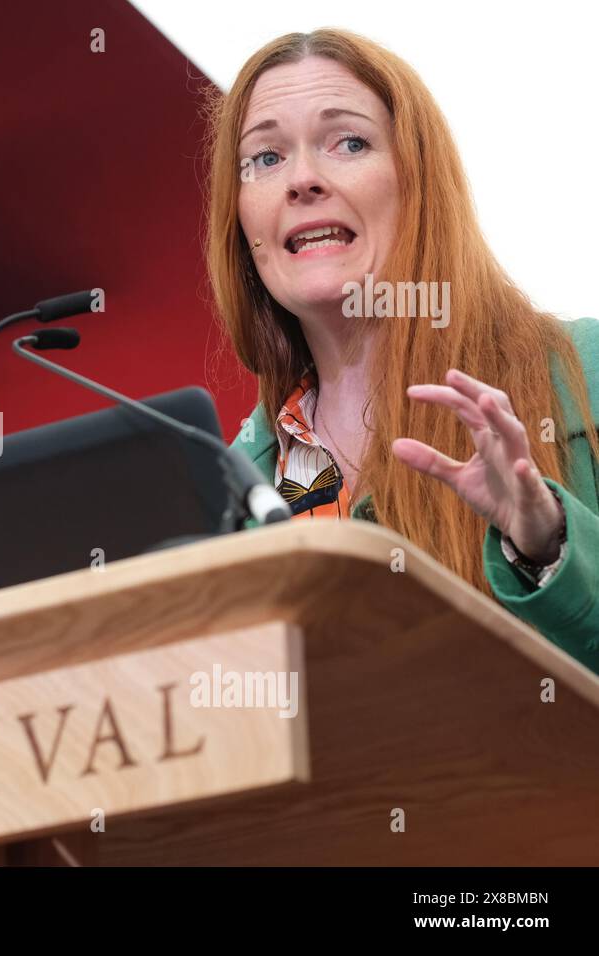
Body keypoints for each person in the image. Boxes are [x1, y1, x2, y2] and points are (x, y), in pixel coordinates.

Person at [206, 29, 599, 669]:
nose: (302, 178)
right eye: (266, 158)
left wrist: (549, 541)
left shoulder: (583, 373)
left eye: (350, 142)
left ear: (419, 184)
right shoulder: (230, 487)